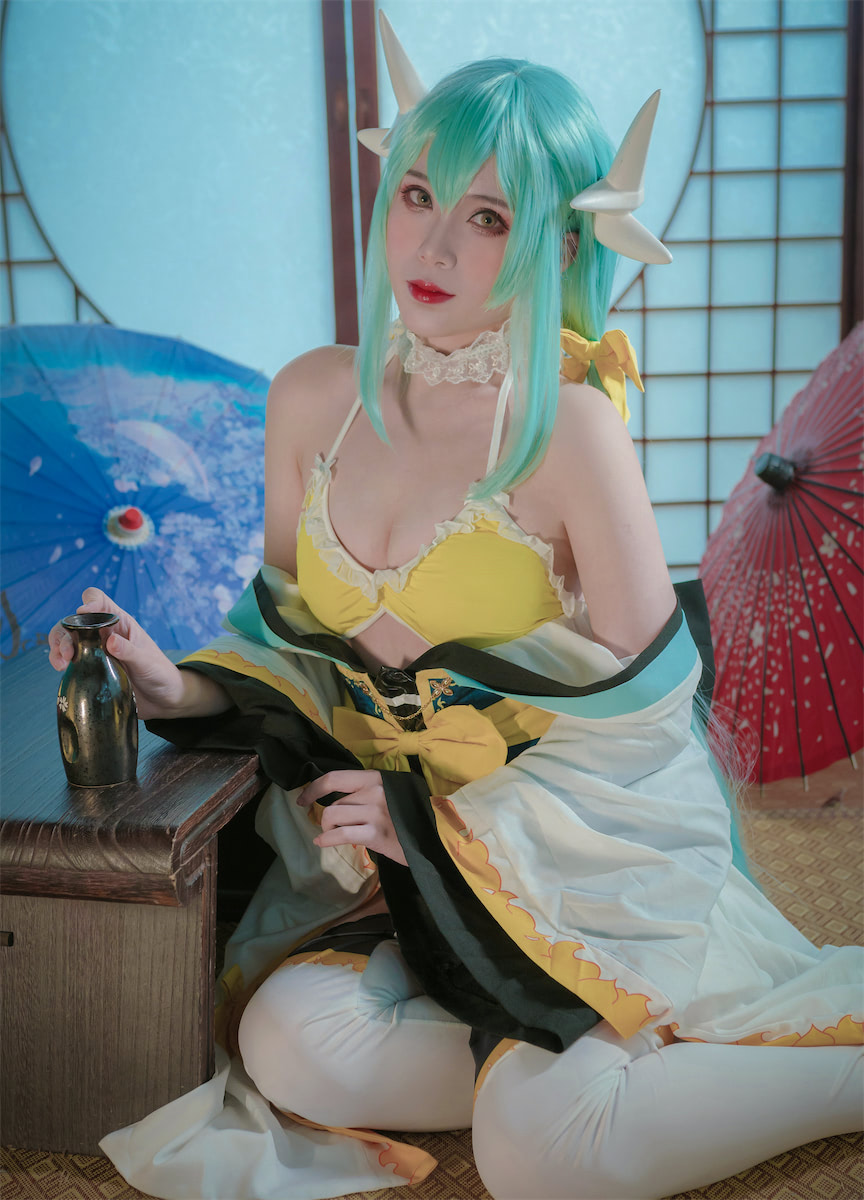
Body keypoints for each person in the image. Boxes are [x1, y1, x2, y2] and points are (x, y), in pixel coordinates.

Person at [50, 16, 862, 1200]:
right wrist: (171, 683)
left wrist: (432, 824)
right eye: (419, 194)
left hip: (572, 869)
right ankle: (566, 1071)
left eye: (487, 218)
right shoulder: (312, 397)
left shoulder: (571, 428)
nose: (431, 243)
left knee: (540, 1163)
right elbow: (284, 642)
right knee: (286, 1042)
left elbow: (643, 734)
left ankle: (809, 1072)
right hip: (394, 880)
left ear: (553, 244)